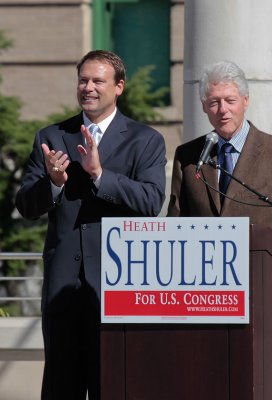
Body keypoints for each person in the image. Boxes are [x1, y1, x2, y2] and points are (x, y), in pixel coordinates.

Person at [15, 50, 166, 400]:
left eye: (98, 80)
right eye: (83, 80)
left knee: (112, 385)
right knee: (60, 386)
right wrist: (53, 182)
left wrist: (99, 174)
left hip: (118, 287)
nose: (88, 87)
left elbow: (150, 202)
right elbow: (25, 205)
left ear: (119, 87)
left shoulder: (145, 140)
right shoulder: (51, 135)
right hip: (63, 287)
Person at [167, 60, 272, 249]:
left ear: (245, 101)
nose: (223, 110)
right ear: (204, 106)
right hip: (202, 270)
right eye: (214, 102)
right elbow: (176, 222)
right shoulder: (188, 156)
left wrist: (252, 257)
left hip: (258, 269)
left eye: (230, 101)